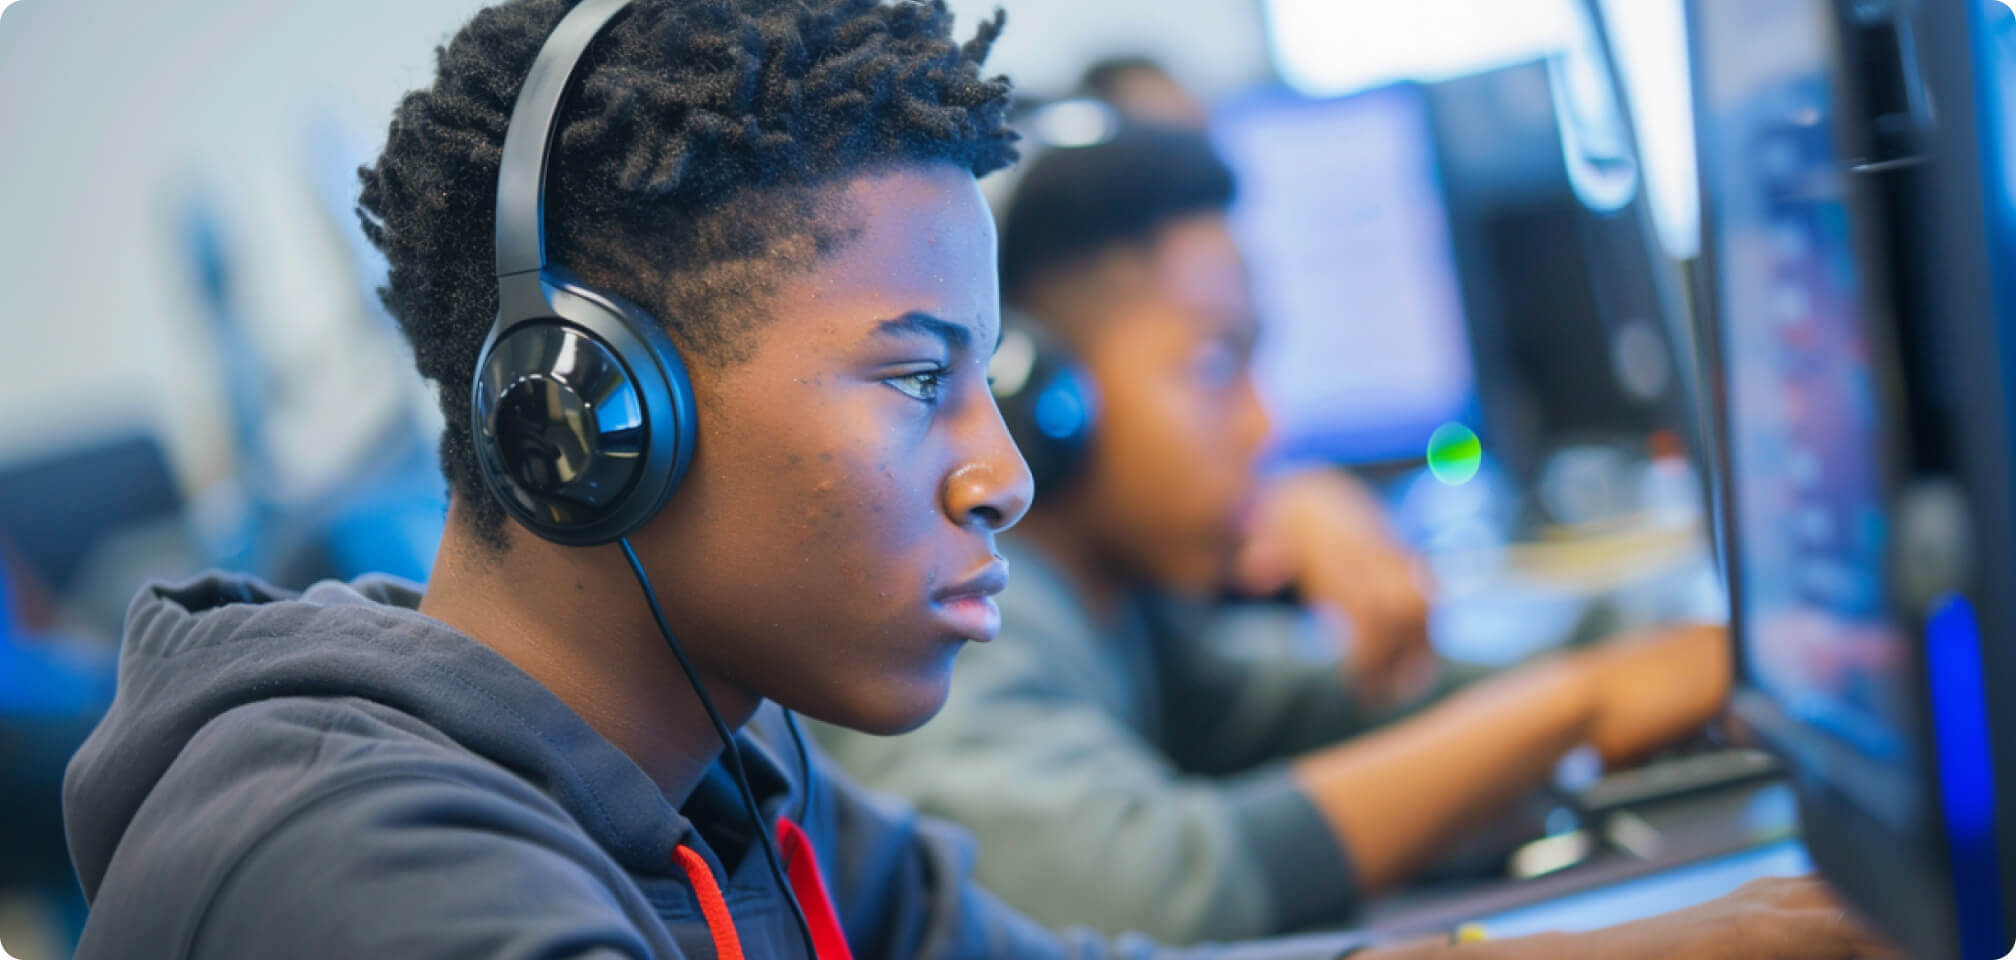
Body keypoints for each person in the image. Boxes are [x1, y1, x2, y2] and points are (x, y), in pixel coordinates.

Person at [60, 3, 1886, 959]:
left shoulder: (720, 770)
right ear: (591, 412)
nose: (1003, 472)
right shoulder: (352, 872)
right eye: (918, 381)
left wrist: (1737, 945)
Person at [814, 126, 1741, 943]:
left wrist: (1636, 653)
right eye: (1217, 363)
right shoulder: (961, 619)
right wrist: (1576, 703)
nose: (1264, 426)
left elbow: (1332, 704)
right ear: (1048, 397)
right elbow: (1143, 884)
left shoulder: (1118, 617)